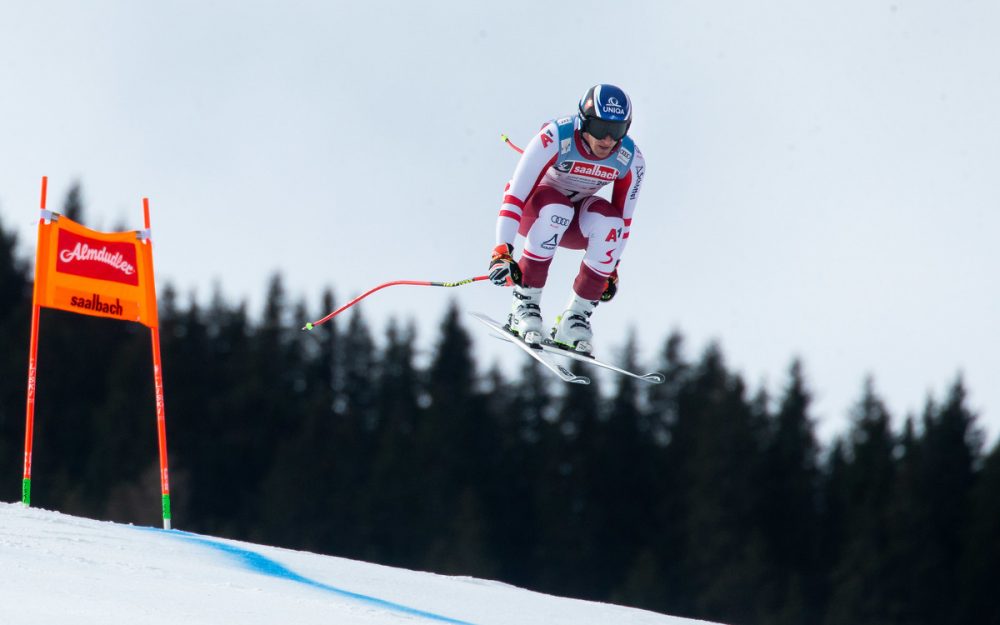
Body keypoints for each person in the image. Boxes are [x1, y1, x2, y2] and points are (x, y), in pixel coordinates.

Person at [488, 84, 646, 354]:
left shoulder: (630, 158)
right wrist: (502, 250)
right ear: (584, 123)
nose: (607, 139)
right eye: (599, 128)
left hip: (574, 219)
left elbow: (625, 221)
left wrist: (612, 267)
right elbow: (515, 196)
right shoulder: (556, 137)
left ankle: (575, 319)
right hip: (536, 210)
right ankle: (524, 305)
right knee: (556, 210)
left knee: (611, 224)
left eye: (617, 130)